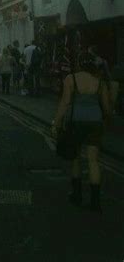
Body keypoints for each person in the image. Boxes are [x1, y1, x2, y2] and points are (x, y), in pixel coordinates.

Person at [52, 51, 111, 211]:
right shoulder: (100, 82)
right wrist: (105, 122)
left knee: (76, 158)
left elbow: (65, 103)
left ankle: (77, 195)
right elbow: (106, 107)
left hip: (76, 122)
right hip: (95, 123)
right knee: (93, 161)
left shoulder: (71, 79)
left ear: (78, 64)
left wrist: (56, 122)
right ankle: (95, 202)